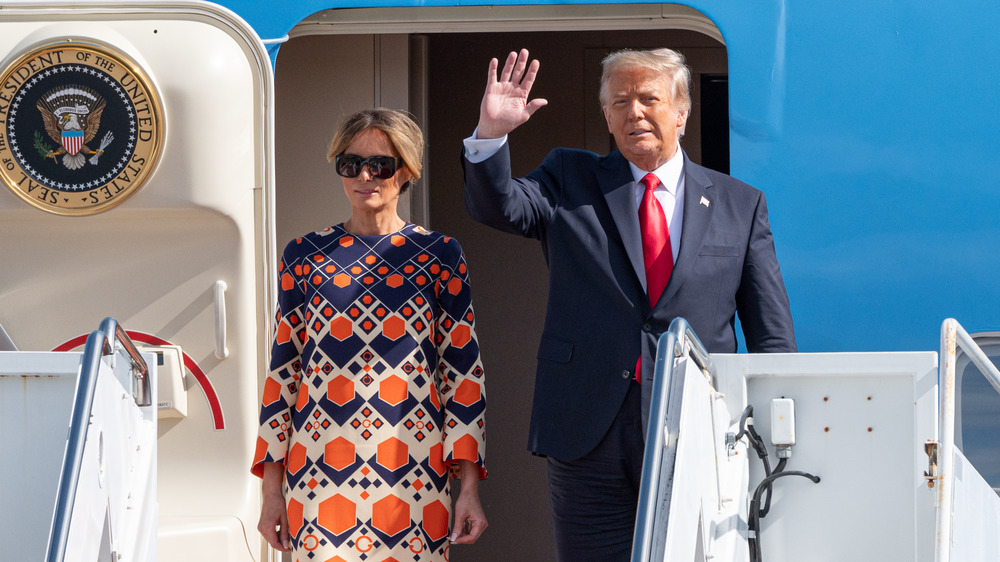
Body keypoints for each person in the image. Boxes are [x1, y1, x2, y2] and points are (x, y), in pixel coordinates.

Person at [461, 48, 796, 560]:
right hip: (588, 432)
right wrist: (491, 134)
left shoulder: (739, 203)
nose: (634, 111)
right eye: (620, 101)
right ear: (606, 116)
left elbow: (770, 333)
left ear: (681, 110)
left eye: (648, 98)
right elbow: (498, 206)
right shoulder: (569, 178)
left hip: (699, 429)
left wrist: (776, 433)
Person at [253, 108, 487, 561]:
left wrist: (469, 488)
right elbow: (283, 373)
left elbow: (463, 374)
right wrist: (271, 490)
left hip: (414, 468)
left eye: (379, 165)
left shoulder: (438, 254)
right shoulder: (305, 255)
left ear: (406, 171)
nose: (364, 175)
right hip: (318, 471)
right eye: (350, 163)